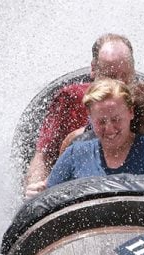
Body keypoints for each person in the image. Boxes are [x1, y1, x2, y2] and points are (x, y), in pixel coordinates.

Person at [28, 79, 144, 196]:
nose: (109, 128)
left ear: (130, 112)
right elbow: (47, 201)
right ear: (91, 118)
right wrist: (37, 196)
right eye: (101, 121)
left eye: (116, 119)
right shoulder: (74, 155)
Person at [23, 34, 136, 187]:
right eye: (110, 76)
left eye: (125, 76)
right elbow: (43, 156)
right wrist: (34, 193)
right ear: (94, 69)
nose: (119, 84)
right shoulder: (71, 99)